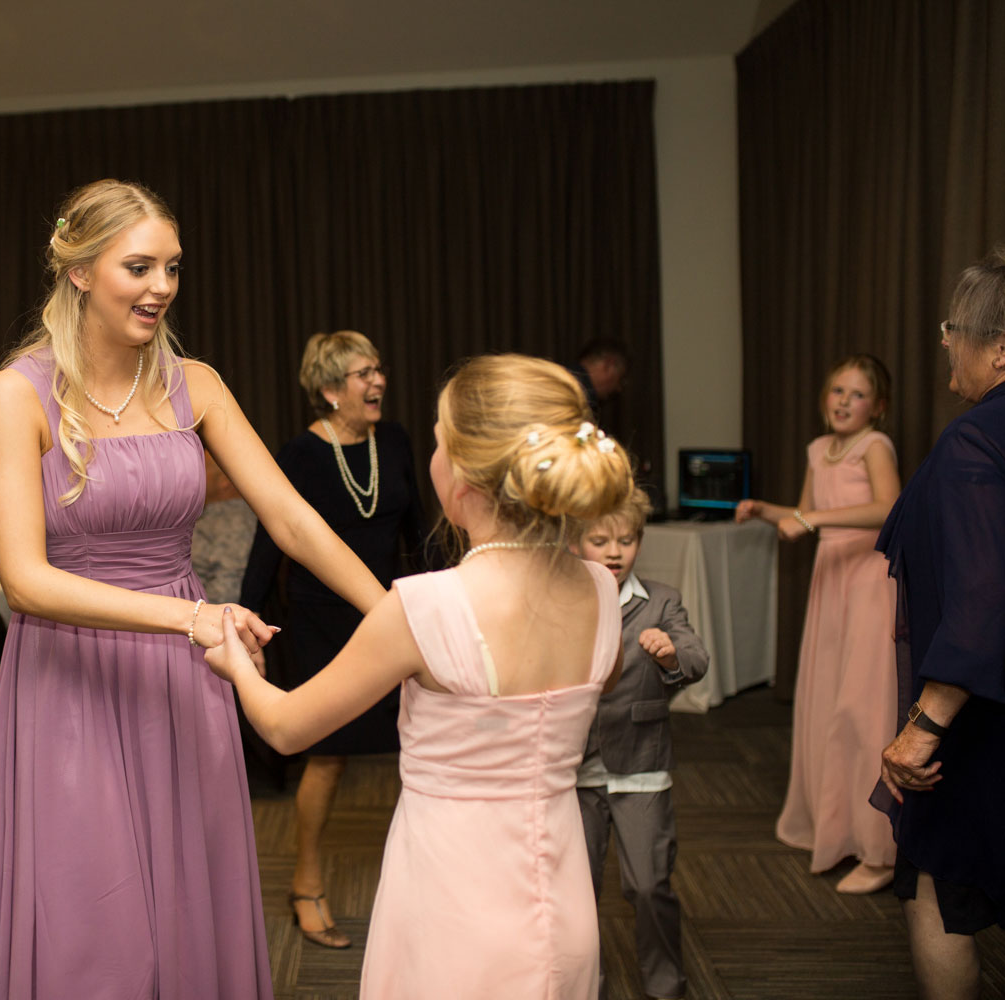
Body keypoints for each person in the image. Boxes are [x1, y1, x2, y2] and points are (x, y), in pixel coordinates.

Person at [0, 179, 385, 1000]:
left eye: (173, 269)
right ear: (78, 271)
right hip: (70, 677)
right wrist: (190, 616)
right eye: (138, 267)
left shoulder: (199, 384)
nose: (161, 288)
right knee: (95, 925)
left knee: (190, 897)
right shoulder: (17, 394)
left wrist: (395, 615)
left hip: (183, 677)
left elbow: (293, 521)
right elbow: (27, 583)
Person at [207, 354, 633, 999]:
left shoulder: (424, 605)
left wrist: (235, 660)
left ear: (462, 475)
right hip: (563, 894)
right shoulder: (603, 590)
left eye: (437, 438)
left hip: (452, 901)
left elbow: (286, 729)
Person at [239, 329, 423, 948]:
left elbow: (417, 534)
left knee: (423, 739)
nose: (378, 382)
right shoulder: (299, 455)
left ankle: (430, 883)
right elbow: (272, 542)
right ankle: (306, 883)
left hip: (394, 613)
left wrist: (440, 603)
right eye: (362, 373)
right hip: (323, 624)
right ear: (328, 390)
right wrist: (248, 619)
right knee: (329, 754)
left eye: (379, 369)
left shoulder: (393, 441)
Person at [876, 248, 1005, 1000]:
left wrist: (923, 726)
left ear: (998, 346)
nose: (945, 342)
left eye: (954, 328)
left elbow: (984, 598)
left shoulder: (973, 441)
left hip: (981, 722)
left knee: (937, 881)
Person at [735, 354, 900, 894]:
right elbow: (803, 512)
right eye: (837, 391)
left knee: (861, 707)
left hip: (870, 583)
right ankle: (836, 829)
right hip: (831, 580)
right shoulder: (816, 450)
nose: (844, 402)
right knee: (828, 702)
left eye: (857, 394)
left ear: (877, 406)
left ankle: (879, 849)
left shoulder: (876, 446)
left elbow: (887, 509)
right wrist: (764, 510)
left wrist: (811, 520)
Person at [572, 487, 708, 1000]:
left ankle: (665, 985)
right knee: (577, 894)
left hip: (641, 767)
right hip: (572, 771)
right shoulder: (562, 600)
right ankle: (587, 986)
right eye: (600, 540)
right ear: (573, 543)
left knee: (649, 886)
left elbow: (696, 659)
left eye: (626, 540)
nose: (614, 551)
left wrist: (672, 655)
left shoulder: (662, 601)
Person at [192, 450, 258, 605]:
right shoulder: (206, 514)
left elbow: (227, 589)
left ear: (224, 480)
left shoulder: (236, 521)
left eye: (198, 470)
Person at [571, 339, 631, 419]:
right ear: (608, 364)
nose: (618, 388)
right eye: (620, 379)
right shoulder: (581, 396)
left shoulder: (559, 377)